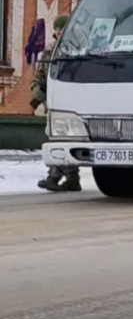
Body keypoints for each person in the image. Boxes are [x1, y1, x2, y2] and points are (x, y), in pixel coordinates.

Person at [35, 16, 82, 192]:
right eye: (56, 29)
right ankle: (72, 178)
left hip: (69, 101)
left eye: (61, 29)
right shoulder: (50, 52)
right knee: (60, 138)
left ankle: (54, 176)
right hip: (53, 100)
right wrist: (37, 90)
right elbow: (39, 75)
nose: (58, 32)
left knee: (62, 139)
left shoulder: (76, 50)